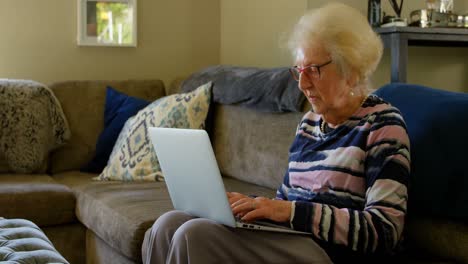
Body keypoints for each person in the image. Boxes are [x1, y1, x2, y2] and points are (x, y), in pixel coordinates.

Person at [142, 3, 410, 263]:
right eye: (299, 70)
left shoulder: (382, 125)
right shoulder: (308, 123)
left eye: (313, 70)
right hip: (292, 238)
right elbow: (286, 201)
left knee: (194, 235)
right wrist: (254, 207)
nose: (303, 84)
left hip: (329, 252)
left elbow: (384, 230)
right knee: (169, 224)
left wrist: (288, 211)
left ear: (350, 70)